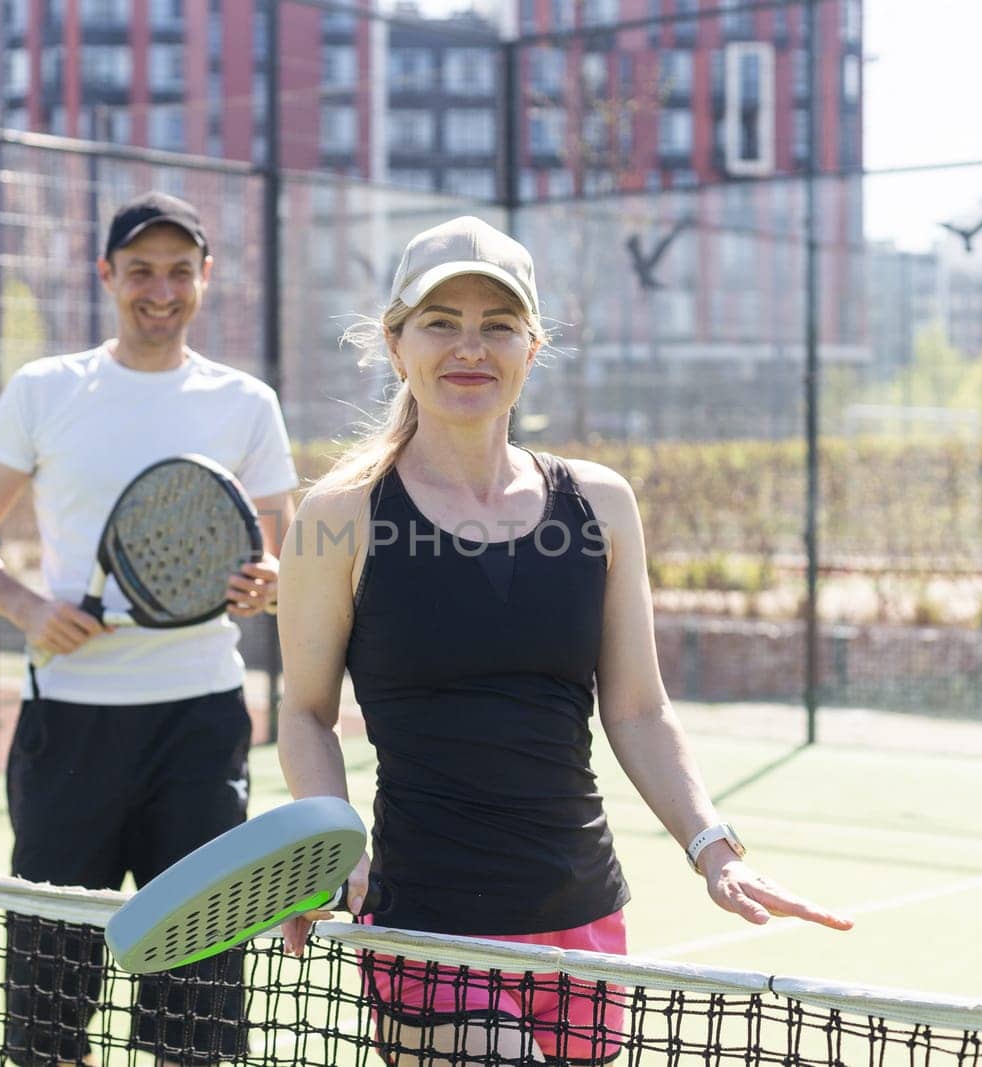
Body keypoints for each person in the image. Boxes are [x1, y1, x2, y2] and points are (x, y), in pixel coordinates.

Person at [274, 216, 851, 1066]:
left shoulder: (602, 505)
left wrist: (714, 850)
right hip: (427, 918)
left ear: (530, 348)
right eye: (441, 323)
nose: (470, 347)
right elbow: (305, 711)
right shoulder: (338, 516)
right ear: (396, 344)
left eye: (497, 326)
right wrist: (332, 848)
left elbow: (640, 708)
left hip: (583, 909)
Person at [0, 191, 298, 1067]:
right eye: (141, 269)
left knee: (197, 1012)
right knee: (49, 1010)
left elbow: (281, 564)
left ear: (205, 279)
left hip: (201, 725)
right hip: (70, 723)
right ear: (107, 276)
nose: (161, 289)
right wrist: (29, 609)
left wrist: (270, 587)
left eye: (180, 270)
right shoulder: (45, 390)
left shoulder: (246, 403)